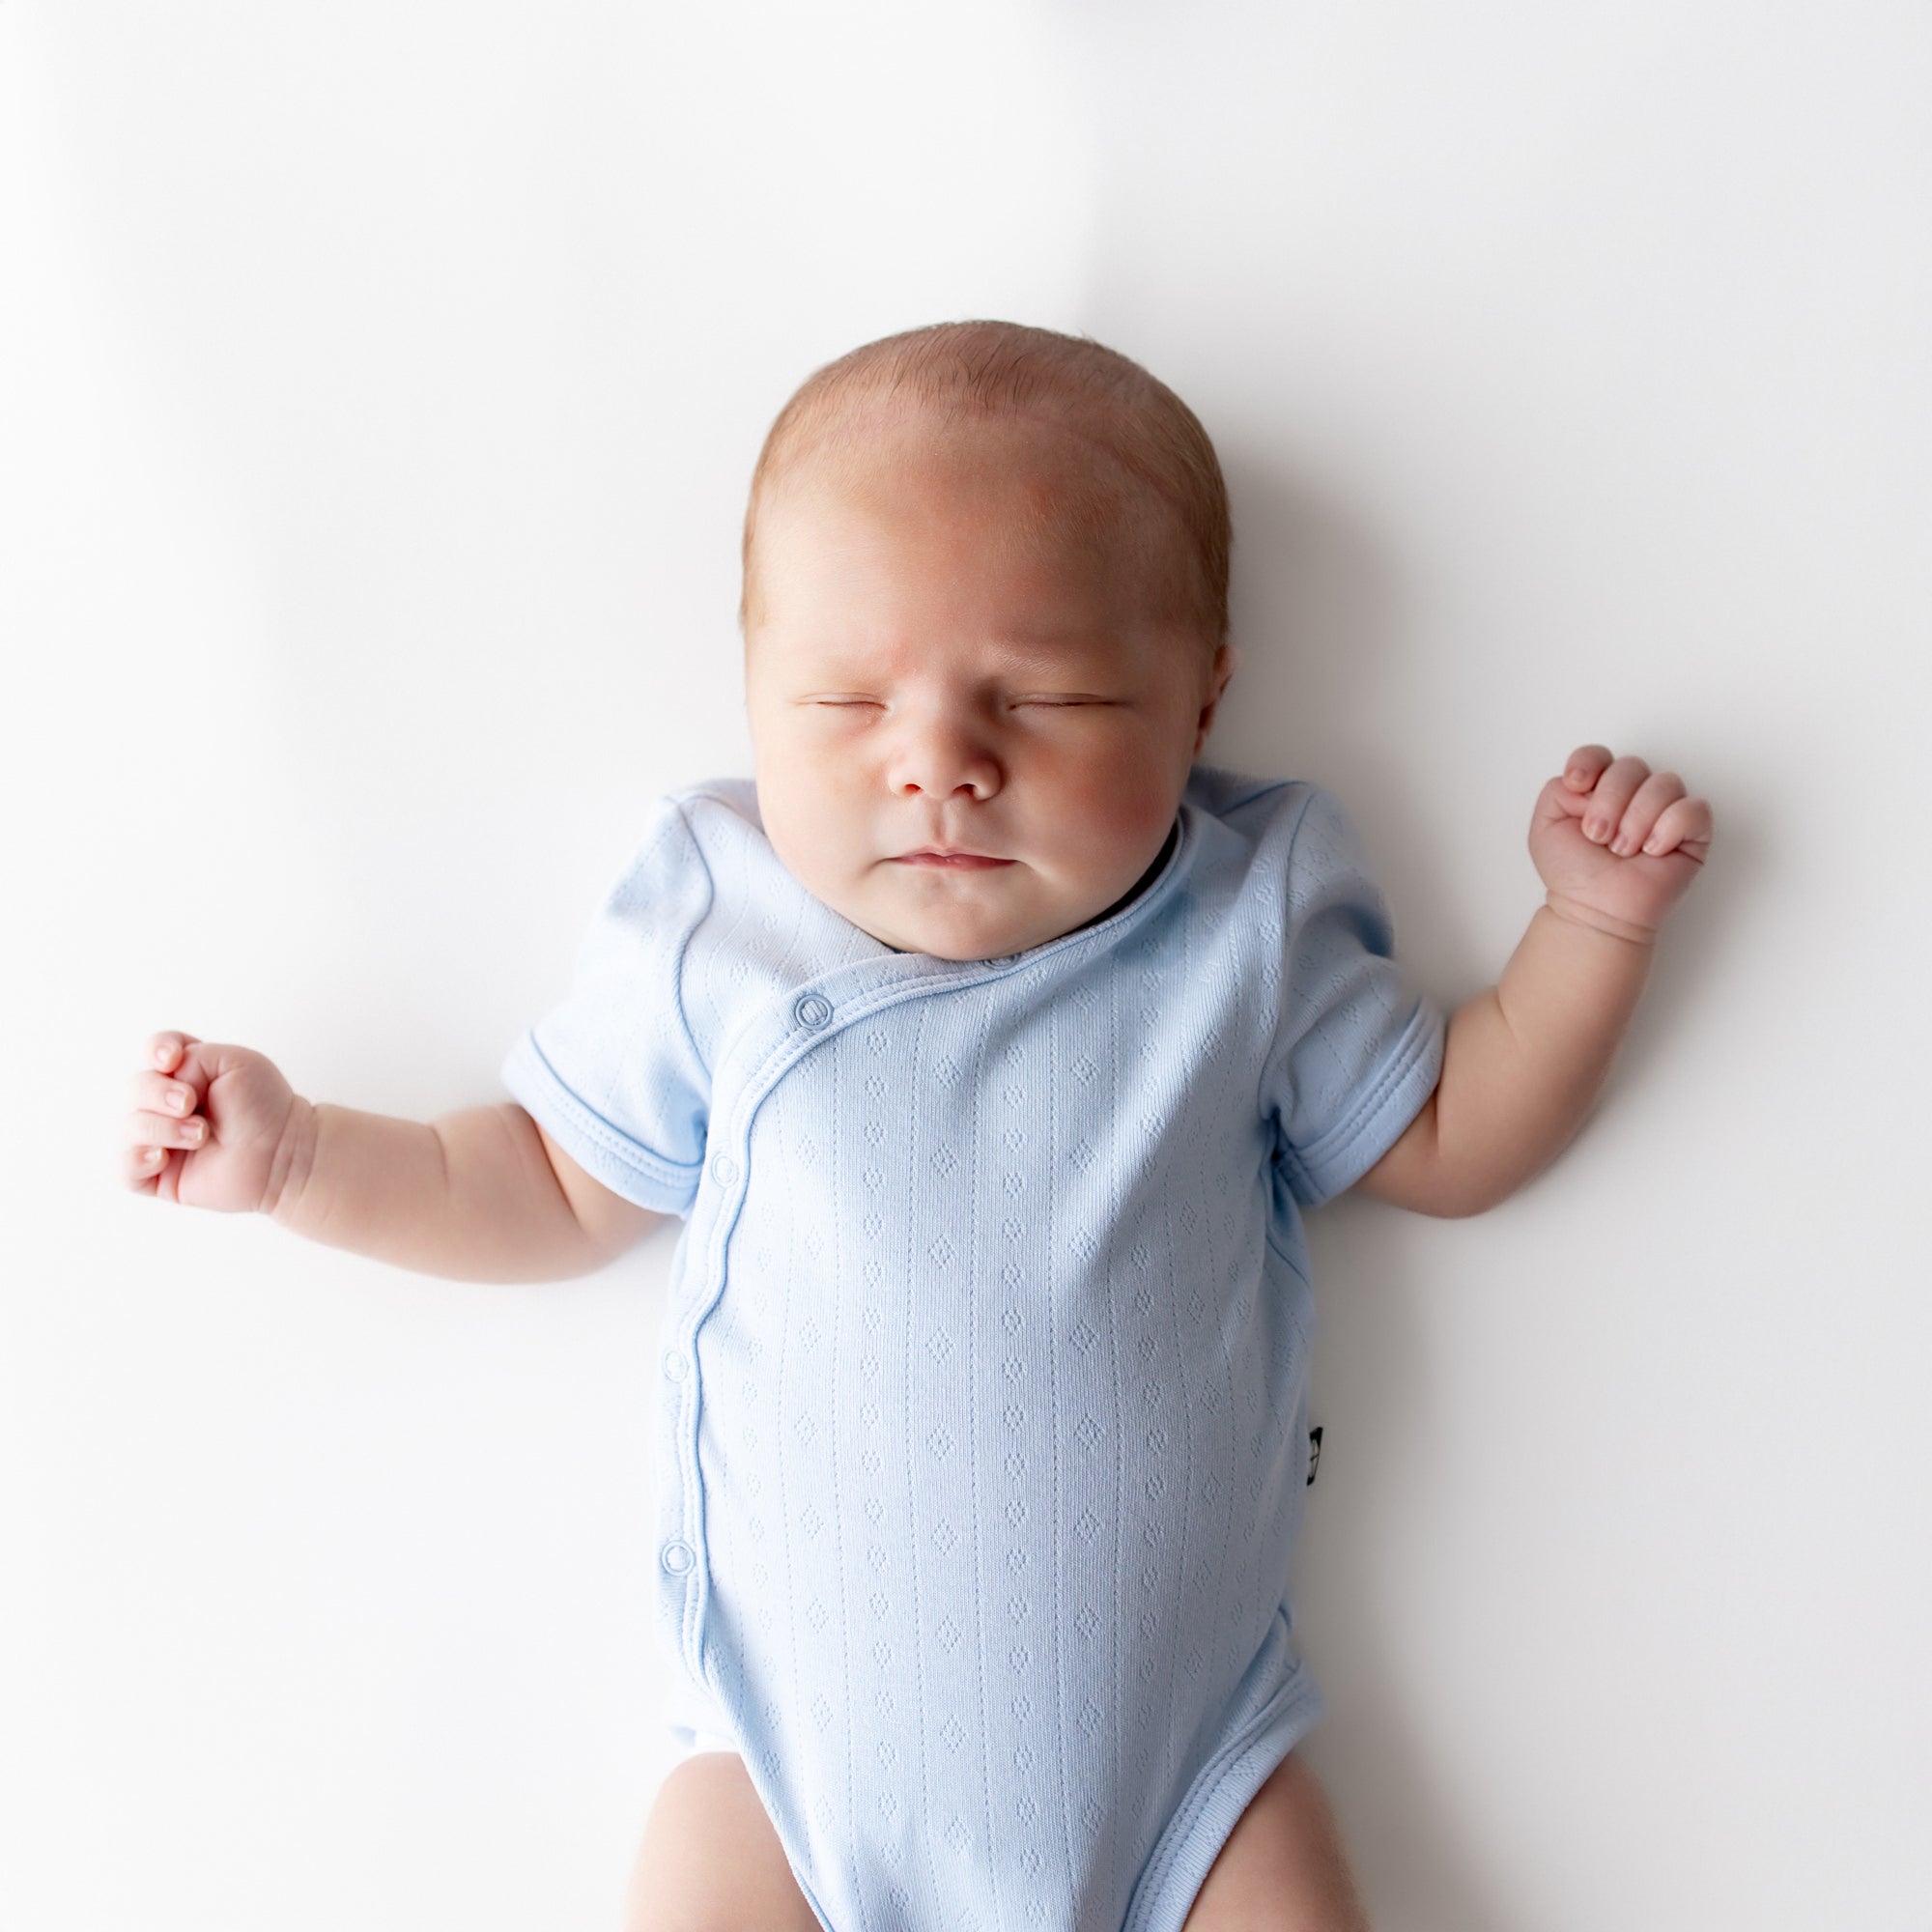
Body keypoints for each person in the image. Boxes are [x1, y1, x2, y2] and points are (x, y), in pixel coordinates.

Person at [124, 321, 1712, 1931]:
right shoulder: (721, 927)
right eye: (846, 697)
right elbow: (535, 1177)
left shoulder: (1245, 925)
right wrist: (309, 1160)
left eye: (1048, 696)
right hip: (790, 1780)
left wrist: (1592, 932)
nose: (939, 763)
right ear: (752, 690)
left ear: (1200, 694)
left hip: (1192, 1783)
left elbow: (1449, 1132)